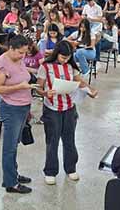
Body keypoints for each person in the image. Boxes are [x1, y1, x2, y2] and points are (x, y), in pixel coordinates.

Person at [37, 41, 96, 185]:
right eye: (63, 57)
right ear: (56, 53)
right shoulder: (45, 66)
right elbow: (38, 87)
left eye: (68, 57)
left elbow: (80, 82)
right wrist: (45, 93)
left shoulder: (71, 67)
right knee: (52, 141)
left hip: (69, 107)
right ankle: (50, 171)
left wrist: (90, 90)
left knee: (69, 139)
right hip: (52, 108)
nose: (65, 60)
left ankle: (71, 168)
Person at [0, 35, 33, 194]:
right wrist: (19, 87)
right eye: (20, 52)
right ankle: (10, 182)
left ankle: (13, 174)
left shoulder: (18, 59)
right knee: (9, 147)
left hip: (23, 106)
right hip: (11, 108)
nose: (23, 56)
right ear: (11, 49)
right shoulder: (1, 65)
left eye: (25, 52)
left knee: (15, 144)